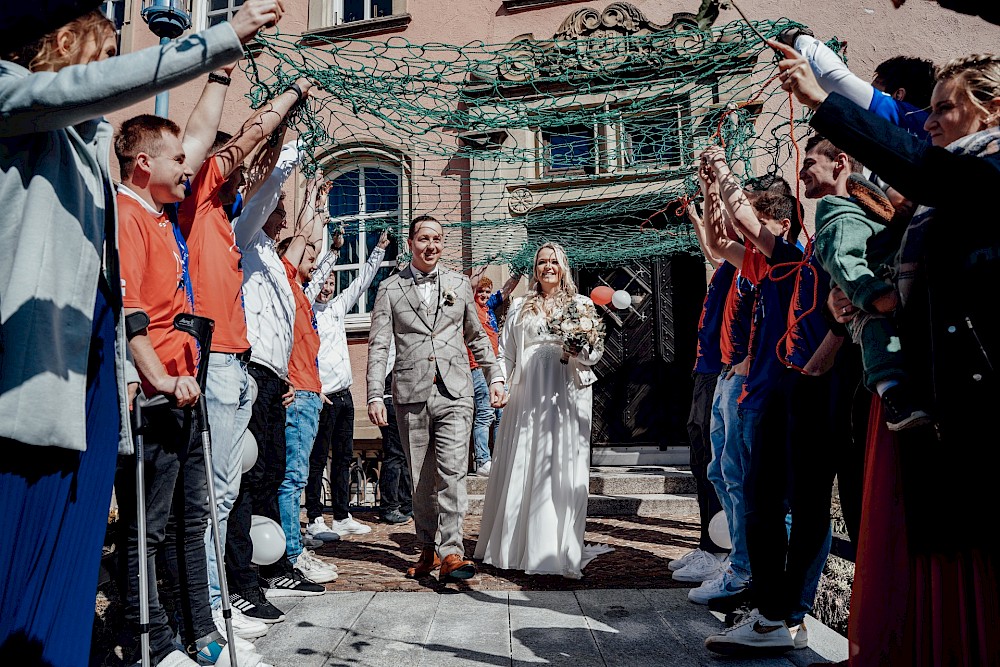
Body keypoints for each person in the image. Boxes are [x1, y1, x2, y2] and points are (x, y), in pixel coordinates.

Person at [0, 3, 280, 665]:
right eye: (104, 59)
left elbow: (191, 147)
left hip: (90, 375)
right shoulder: (12, 96)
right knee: (28, 548)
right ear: (63, 40)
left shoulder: (84, 143)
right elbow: (72, 92)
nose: (110, 80)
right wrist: (212, 44)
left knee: (69, 556)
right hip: (33, 377)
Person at [776, 41, 1000, 666]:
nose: (927, 122)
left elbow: (929, 172)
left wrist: (824, 97)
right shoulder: (938, 195)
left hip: (973, 398)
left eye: (943, 109)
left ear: (994, 109)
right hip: (939, 395)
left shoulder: (988, 170)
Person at [113, 115, 267, 667]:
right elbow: (130, 312)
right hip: (155, 396)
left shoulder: (161, 217)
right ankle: (147, 640)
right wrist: (156, 376)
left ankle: (201, 631)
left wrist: (225, 70)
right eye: (177, 159)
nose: (187, 166)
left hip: (186, 389)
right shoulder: (127, 214)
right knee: (148, 527)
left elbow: (201, 138)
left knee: (190, 517)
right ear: (143, 163)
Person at [178, 77, 321, 623]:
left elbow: (255, 170)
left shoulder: (223, 220)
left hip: (239, 362)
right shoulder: (204, 203)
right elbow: (249, 148)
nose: (237, 170)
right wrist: (288, 104)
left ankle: (218, 604)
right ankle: (214, 607)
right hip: (216, 362)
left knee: (226, 490)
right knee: (216, 496)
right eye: (227, 163)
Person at [366, 215, 506, 582]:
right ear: (411, 243)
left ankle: (452, 552)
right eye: (425, 238)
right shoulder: (390, 289)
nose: (432, 245)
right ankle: (427, 546)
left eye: (438, 239)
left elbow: (477, 337)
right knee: (420, 479)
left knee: (452, 473)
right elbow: (379, 345)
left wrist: (494, 376)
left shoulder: (459, 284)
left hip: (456, 390)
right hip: (410, 393)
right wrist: (373, 395)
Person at [474, 242, 608, 579]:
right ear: (535, 269)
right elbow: (505, 352)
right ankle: (518, 547)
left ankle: (556, 548)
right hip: (527, 394)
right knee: (524, 463)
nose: (547, 267)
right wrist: (499, 382)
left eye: (553, 262)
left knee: (561, 467)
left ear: (563, 266)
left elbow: (595, 354)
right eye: (541, 262)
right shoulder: (519, 306)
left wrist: (579, 348)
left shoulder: (581, 305)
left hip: (568, 393)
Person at [814, 174, 930, 430]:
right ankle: (892, 393)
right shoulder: (853, 219)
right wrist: (869, 295)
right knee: (876, 335)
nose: (909, 200)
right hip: (880, 319)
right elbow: (845, 264)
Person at [305, 226, 391, 534]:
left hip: (343, 394)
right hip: (321, 395)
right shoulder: (306, 309)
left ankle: (341, 516)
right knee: (317, 459)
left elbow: (361, 282)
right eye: (323, 283)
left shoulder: (338, 307)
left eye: (330, 282)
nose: (326, 288)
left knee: (342, 456)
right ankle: (315, 517)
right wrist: (335, 252)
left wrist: (379, 249)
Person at [669, 203, 729, 585]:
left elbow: (716, 245)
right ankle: (708, 542)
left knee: (713, 463)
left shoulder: (744, 264)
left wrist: (713, 196)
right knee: (699, 460)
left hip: (718, 371)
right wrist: (694, 216)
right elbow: (710, 249)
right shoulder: (724, 267)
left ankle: (721, 552)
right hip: (703, 371)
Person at [466, 271, 521, 477]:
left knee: (501, 414)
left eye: (487, 292)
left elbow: (505, 291)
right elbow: (470, 287)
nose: (485, 295)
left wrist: (518, 273)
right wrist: (480, 269)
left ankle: (499, 458)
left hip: (495, 367)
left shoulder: (488, 308)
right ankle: (483, 461)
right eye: (481, 291)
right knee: (485, 414)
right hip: (478, 367)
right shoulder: (470, 309)